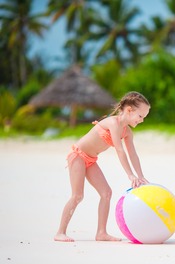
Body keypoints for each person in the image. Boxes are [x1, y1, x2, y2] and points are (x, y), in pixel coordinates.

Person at [54, 91, 151, 242]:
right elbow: (120, 150)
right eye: (140, 116)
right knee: (78, 195)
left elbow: (133, 154)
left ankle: (101, 233)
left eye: (144, 117)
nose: (142, 120)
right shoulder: (113, 123)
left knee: (106, 193)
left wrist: (140, 175)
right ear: (129, 110)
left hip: (91, 160)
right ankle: (60, 232)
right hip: (78, 155)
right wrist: (130, 175)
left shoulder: (127, 132)